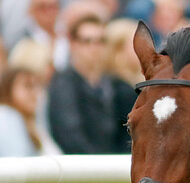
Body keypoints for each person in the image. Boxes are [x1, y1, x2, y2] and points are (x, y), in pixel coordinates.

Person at [47, 16, 135, 154]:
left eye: (100, 41)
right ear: (73, 44)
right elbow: (69, 135)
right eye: (87, 41)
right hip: (80, 168)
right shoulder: (63, 85)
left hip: (111, 167)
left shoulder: (114, 85)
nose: (94, 48)